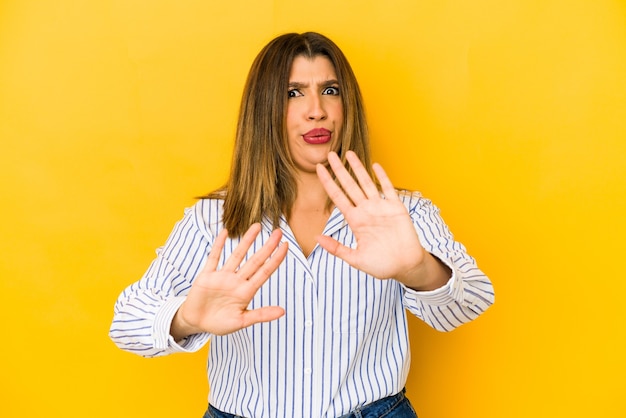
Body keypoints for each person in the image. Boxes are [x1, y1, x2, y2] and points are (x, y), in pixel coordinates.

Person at [109, 32, 494, 418]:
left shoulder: (397, 214)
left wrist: (419, 270)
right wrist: (187, 318)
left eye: (330, 90)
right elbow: (126, 323)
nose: (316, 110)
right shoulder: (214, 220)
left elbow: (472, 301)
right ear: (264, 110)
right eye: (293, 93)